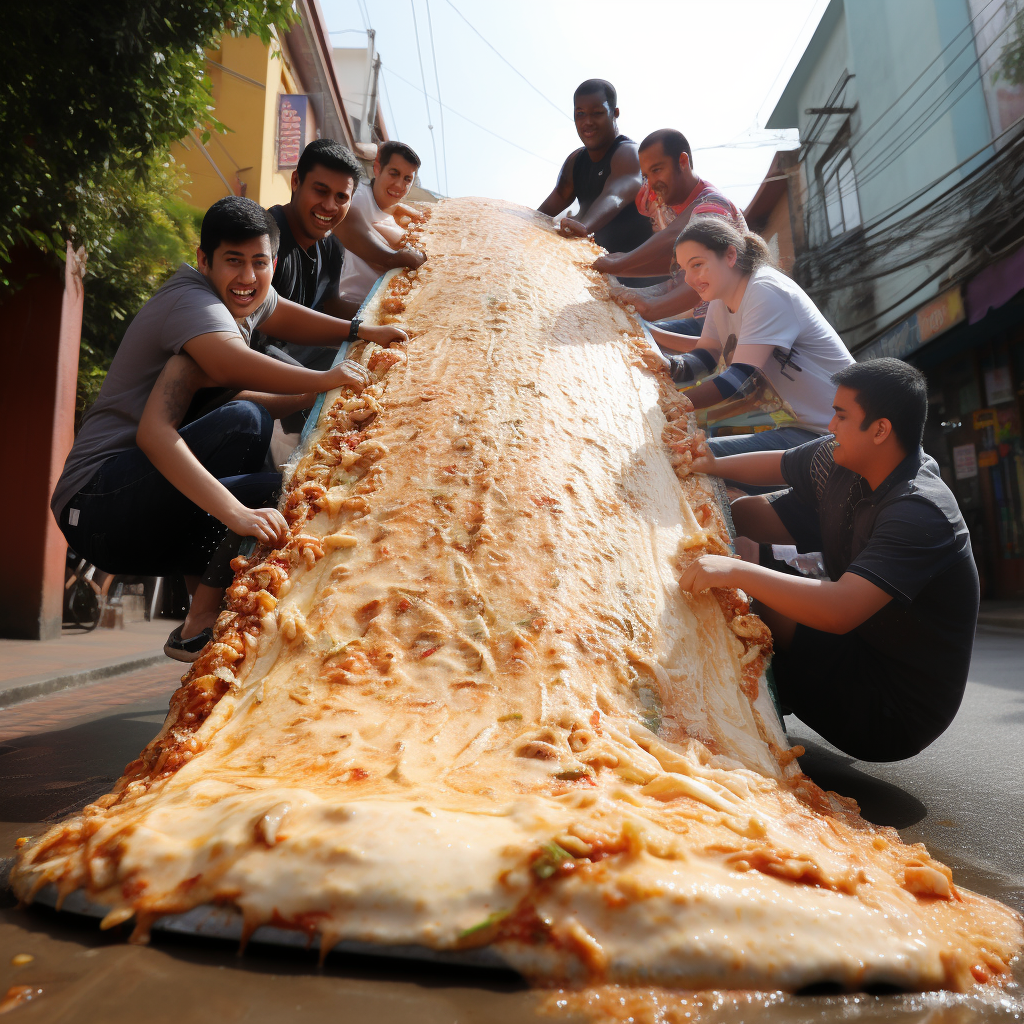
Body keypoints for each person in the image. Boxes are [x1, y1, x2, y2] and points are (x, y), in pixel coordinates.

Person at [52, 196, 407, 661]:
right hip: (99, 502)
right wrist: (323, 378)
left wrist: (359, 331)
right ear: (204, 261)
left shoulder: (246, 297)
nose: (247, 278)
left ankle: (200, 625)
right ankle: (200, 619)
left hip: (140, 502)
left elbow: (286, 315)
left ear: (273, 264)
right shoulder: (193, 303)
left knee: (265, 455)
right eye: (232, 262)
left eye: (259, 263)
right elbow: (227, 367)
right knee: (254, 442)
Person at [680, 359, 978, 763]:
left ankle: (714, 710)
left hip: (889, 710)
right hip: (855, 648)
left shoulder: (919, 510)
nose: (830, 424)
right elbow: (780, 463)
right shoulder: (843, 462)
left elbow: (839, 611)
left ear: (880, 429)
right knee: (740, 510)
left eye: (841, 415)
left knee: (752, 596)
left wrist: (737, 570)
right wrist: (707, 464)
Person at [644, 216, 853, 463]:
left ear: (730, 256)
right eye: (683, 270)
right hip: (799, 428)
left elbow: (738, 380)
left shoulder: (765, 290)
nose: (688, 279)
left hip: (834, 433)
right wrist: (668, 367)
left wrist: (669, 405)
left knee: (691, 455)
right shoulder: (720, 297)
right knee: (692, 451)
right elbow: (706, 355)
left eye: (697, 264)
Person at [593, 129, 746, 348]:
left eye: (657, 170)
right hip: (705, 322)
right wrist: (620, 268)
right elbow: (676, 267)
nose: (652, 183)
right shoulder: (669, 208)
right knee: (619, 327)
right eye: (646, 175)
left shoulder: (712, 207)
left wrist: (650, 304)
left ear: (682, 161)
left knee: (631, 342)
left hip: (732, 328)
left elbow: (703, 275)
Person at [257, 139, 364, 372]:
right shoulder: (264, 242)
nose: (329, 206)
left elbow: (331, 304)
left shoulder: (331, 246)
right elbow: (270, 320)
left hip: (295, 354)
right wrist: (361, 330)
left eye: (341, 197)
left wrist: (382, 316)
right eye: (320, 191)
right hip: (249, 362)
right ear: (296, 181)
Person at [537, 79, 655, 285]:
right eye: (580, 114)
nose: (587, 122)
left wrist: (584, 226)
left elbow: (616, 194)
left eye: (597, 113)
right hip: (602, 279)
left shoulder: (628, 153)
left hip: (644, 281)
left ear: (615, 113)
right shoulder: (575, 162)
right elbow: (544, 213)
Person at [333, 141, 428, 318]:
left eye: (407, 179)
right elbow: (347, 224)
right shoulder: (356, 197)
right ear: (377, 168)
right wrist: (393, 259)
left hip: (384, 312)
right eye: (394, 174)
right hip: (349, 311)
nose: (400, 185)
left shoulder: (395, 218)